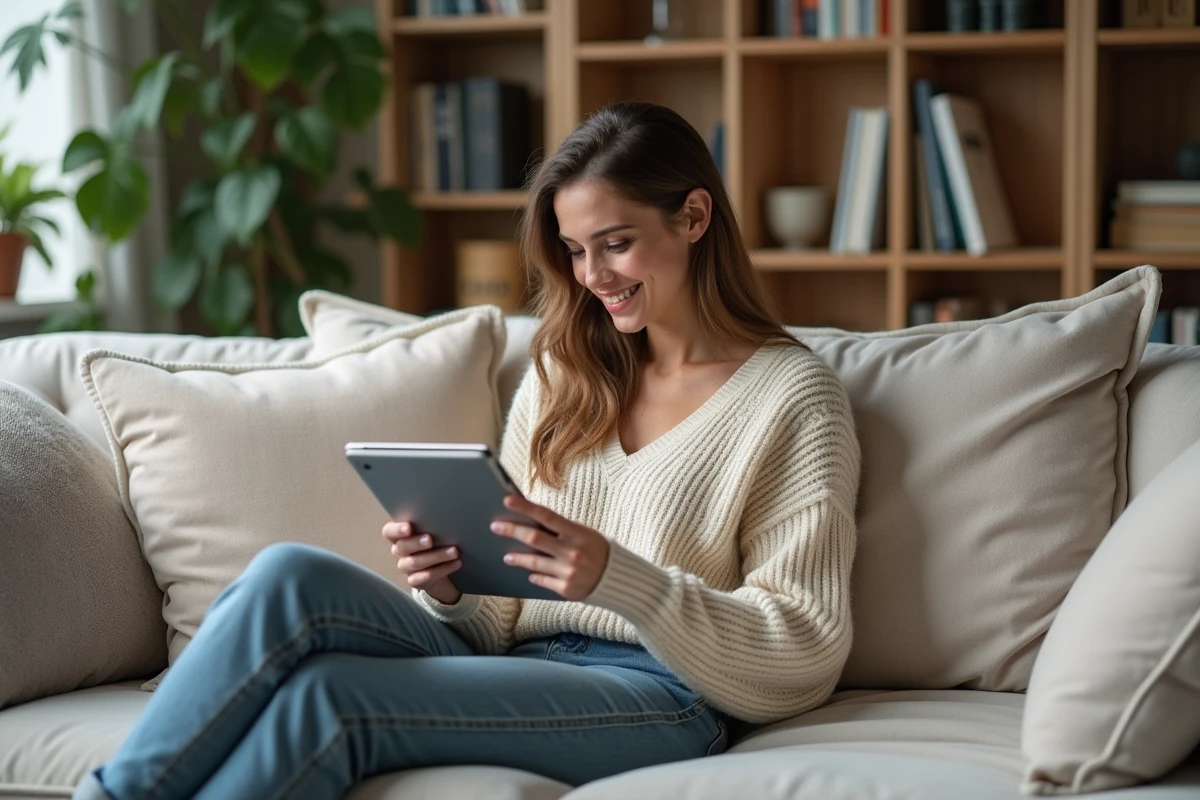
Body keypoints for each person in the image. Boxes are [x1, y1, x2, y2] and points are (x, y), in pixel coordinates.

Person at [73, 101, 862, 800]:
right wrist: (450, 587)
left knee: (331, 699)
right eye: (575, 250)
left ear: (692, 217)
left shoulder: (791, 397)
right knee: (285, 575)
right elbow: (494, 624)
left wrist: (621, 581)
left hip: (662, 693)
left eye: (615, 244)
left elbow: (804, 649)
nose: (593, 276)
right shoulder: (566, 371)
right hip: (523, 663)